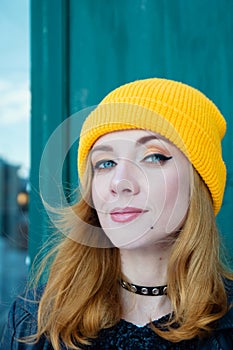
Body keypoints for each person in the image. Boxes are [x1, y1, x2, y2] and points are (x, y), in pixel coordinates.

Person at [1, 78, 233, 350]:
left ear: (199, 183)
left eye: (154, 156)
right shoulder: (32, 321)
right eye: (106, 163)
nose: (120, 182)